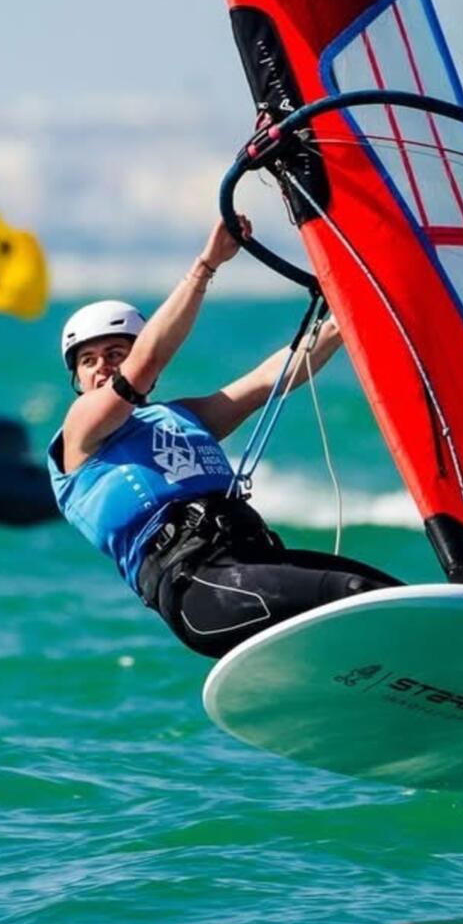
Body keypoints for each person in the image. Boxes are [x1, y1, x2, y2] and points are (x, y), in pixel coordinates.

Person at [47, 216, 401, 658]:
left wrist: (345, 316)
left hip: (255, 562)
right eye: (88, 360)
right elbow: (143, 367)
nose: (102, 366)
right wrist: (207, 264)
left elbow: (267, 380)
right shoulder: (80, 434)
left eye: (115, 353)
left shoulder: (181, 418)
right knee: (355, 593)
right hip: (199, 588)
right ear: (78, 379)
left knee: (391, 595)